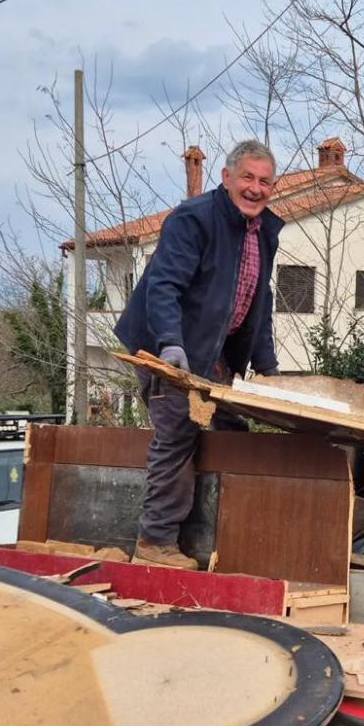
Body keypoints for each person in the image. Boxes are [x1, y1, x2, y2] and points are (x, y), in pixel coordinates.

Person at [114, 140, 284, 569]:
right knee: (178, 433)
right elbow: (164, 285)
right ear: (226, 178)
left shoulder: (264, 231)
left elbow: (256, 302)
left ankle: (219, 541)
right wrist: (170, 342)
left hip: (215, 355)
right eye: (247, 177)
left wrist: (267, 369)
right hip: (167, 349)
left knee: (232, 436)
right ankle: (155, 544)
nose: (255, 188)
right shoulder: (194, 220)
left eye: (264, 181)